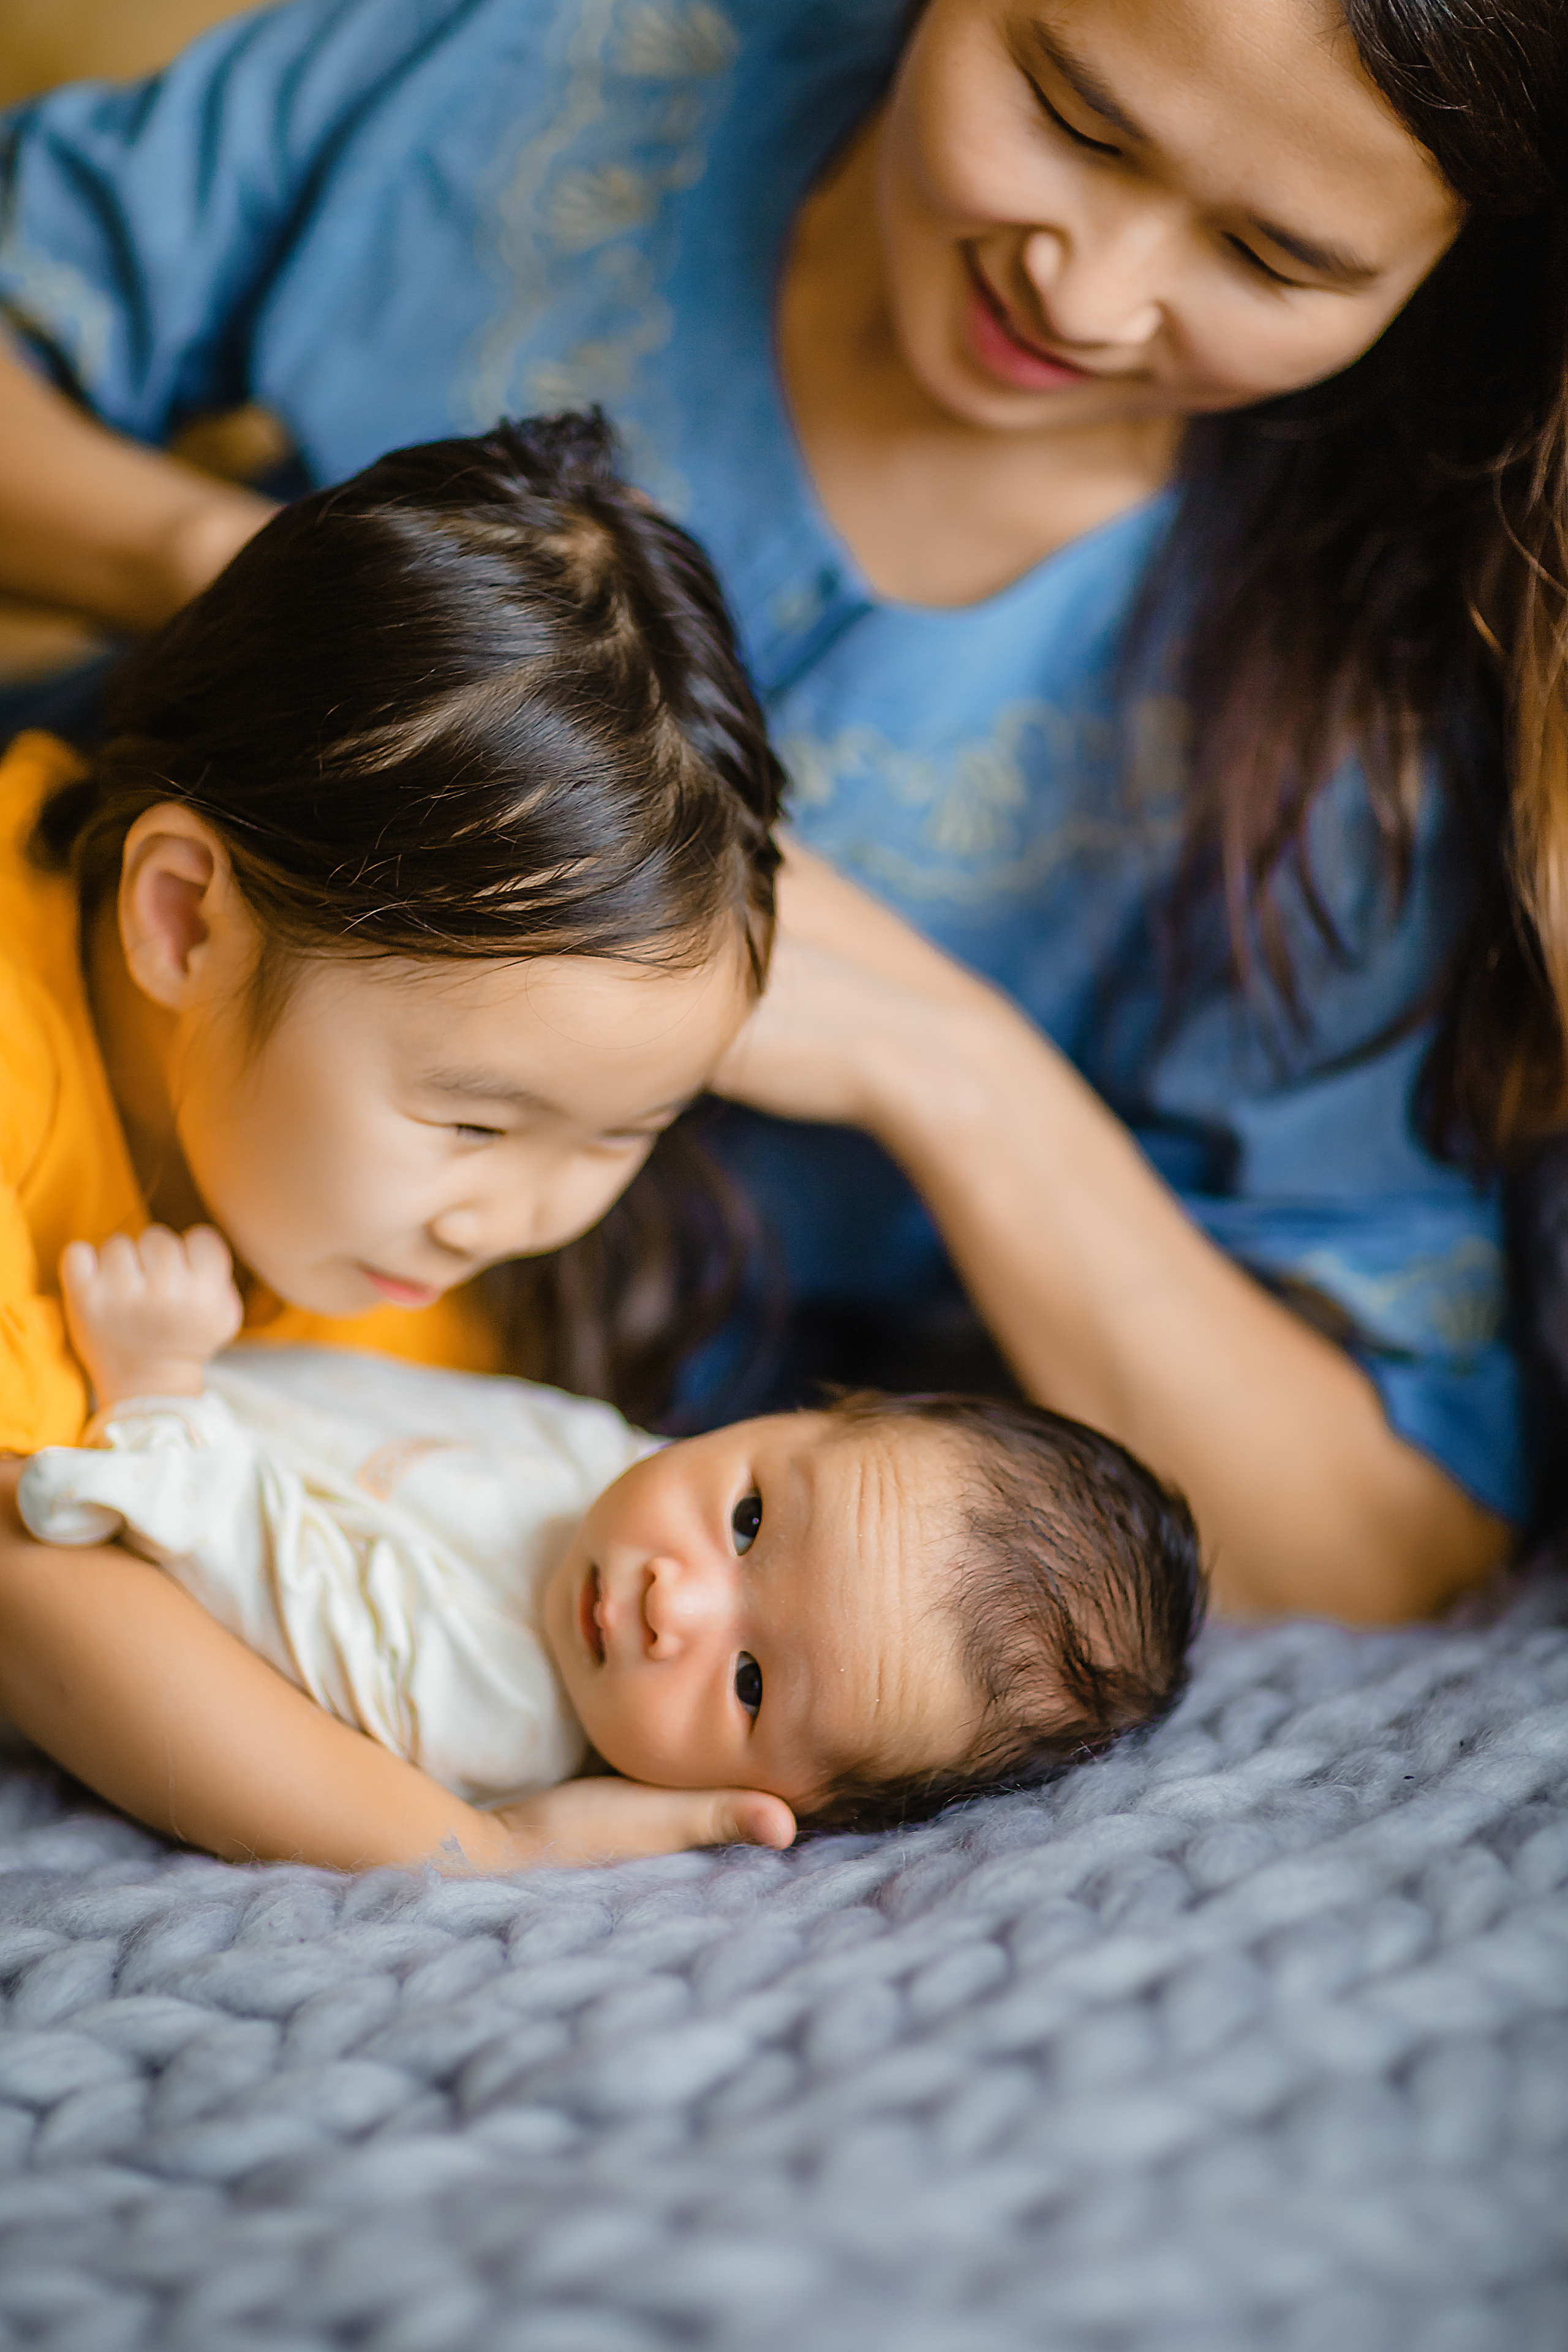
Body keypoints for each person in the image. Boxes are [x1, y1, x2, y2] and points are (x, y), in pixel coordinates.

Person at [0, 0, 1562, 1624]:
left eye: (1278, 260)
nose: (1086, 292)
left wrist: (951, 1071)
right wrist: (255, 582)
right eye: (1073, 117)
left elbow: (1396, 1547)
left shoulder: (1359, 723)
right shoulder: (558, 63)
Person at [0, 407, 816, 1864]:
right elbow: (34, 1599)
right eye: (474, 1119)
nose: (510, 1218)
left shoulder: (386, 1260)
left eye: (621, 1132)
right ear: (185, 918)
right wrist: (468, 1853)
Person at [12, 1222, 1202, 1869]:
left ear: (776, 1797)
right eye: (748, 1520)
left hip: (97, 1450)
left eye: (746, 1683)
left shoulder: (492, 1709)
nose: (672, 1605)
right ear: (791, 1414)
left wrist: (159, 1397)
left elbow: (263, 1574)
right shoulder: (611, 1463)